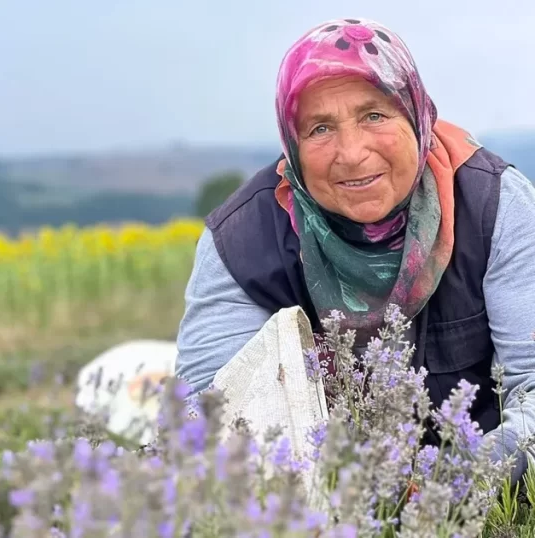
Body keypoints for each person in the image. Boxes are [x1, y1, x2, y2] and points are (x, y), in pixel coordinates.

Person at [175, 17, 535, 482]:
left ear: (417, 116)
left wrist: (459, 488)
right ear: (292, 143)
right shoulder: (242, 240)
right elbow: (206, 415)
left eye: (374, 116)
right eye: (320, 128)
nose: (351, 152)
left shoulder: (493, 204)